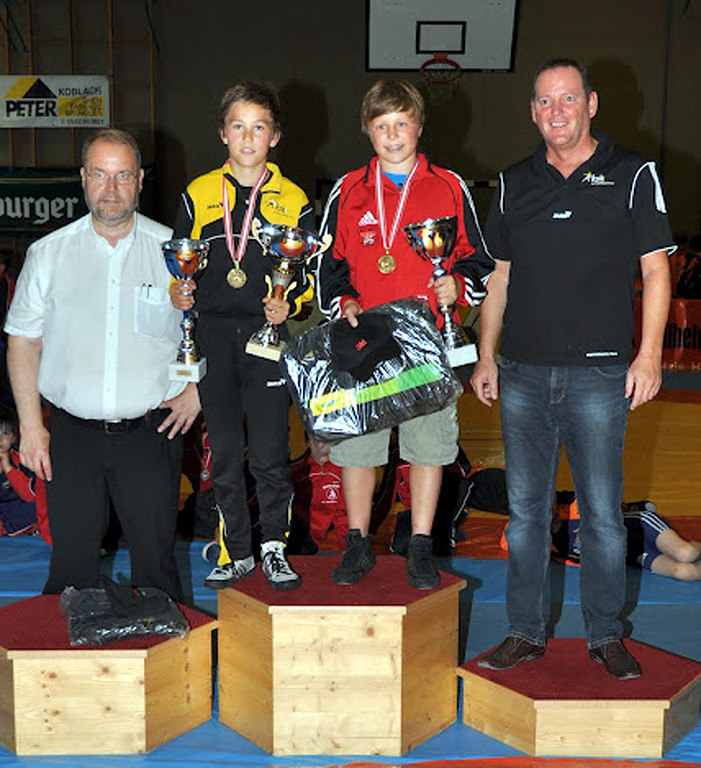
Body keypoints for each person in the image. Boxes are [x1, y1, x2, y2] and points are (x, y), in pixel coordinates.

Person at [470, 58, 674, 679]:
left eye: (567, 99)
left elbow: (656, 270)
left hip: (600, 377)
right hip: (523, 375)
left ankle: (605, 636)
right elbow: (499, 278)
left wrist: (649, 354)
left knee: (604, 518)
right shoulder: (512, 182)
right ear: (532, 112)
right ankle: (524, 632)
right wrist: (485, 353)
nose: (556, 111)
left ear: (591, 104)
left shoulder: (633, 173)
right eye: (544, 101)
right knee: (526, 517)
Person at [5, 128, 200, 601]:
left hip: (152, 434)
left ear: (140, 180)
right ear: (83, 178)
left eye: (123, 176)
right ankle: (68, 652)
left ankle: (161, 650)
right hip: (71, 438)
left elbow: (209, 327)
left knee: (156, 571)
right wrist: (30, 427)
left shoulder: (176, 251)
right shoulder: (48, 254)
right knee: (70, 573)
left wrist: (197, 390)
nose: (111, 188)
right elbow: (23, 343)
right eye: (100, 174)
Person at [318, 79, 494, 589]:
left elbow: (478, 260)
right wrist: (344, 301)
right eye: (382, 126)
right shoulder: (348, 189)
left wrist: (456, 285)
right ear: (367, 130)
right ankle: (356, 542)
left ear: (418, 126)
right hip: (365, 341)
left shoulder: (449, 186)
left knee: (428, 446)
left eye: (401, 124)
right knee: (358, 448)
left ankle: (420, 544)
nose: (393, 135)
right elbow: (328, 264)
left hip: (426, 340)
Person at [170, 82, 314, 591]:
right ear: (222, 134)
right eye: (238, 126)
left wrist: (290, 303)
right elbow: (180, 263)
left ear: (275, 136)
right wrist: (178, 291)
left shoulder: (294, 199)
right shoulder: (198, 193)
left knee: (271, 452)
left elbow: (307, 279)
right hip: (212, 335)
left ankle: (274, 547)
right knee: (226, 453)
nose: (248, 137)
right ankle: (236, 550)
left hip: (266, 337)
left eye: (259, 127)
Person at [550, 498, 701, 582]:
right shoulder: (550, 546)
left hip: (640, 528)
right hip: (633, 554)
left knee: (686, 553)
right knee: (684, 573)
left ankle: (694, 547)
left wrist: (631, 507)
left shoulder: (571, 506)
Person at [0, 405, 46, 539]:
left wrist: (8, 468)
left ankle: (32, 527)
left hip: (20, 509)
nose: (0, 438)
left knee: (38, 504)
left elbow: (29, 495)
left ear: (14, 437)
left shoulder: (22, 456)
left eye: (5, 433)